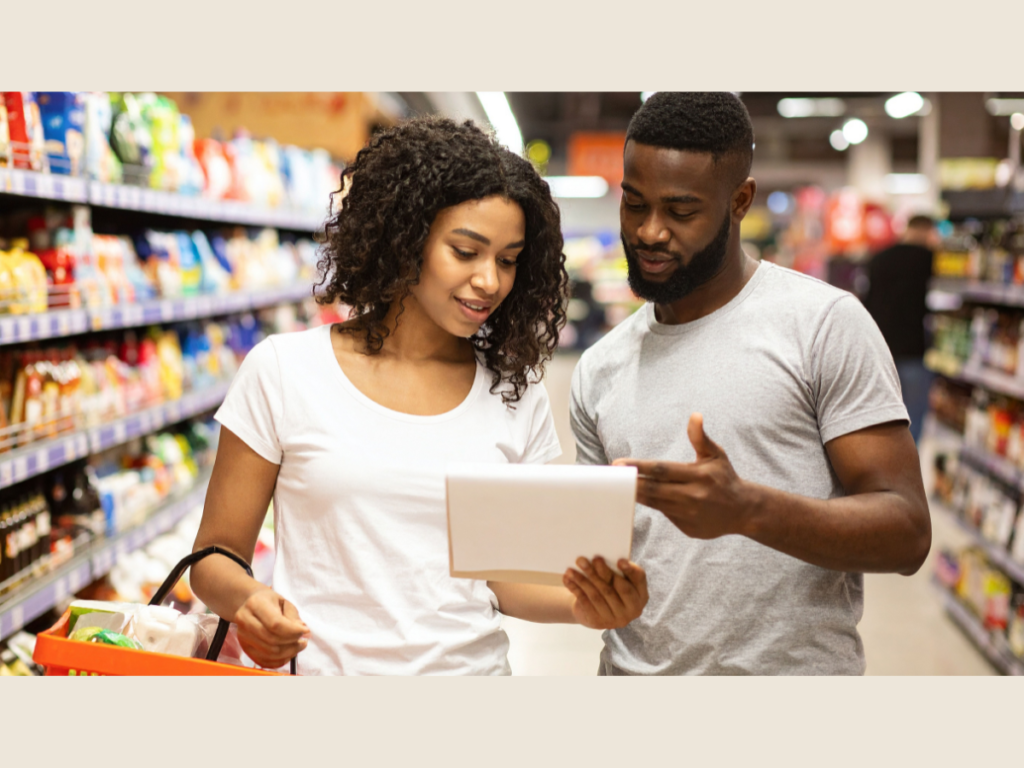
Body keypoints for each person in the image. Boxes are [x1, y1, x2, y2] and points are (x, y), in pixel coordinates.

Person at [190, 117, 649, 675]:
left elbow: (502, 580)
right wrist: (249, 603)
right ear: (405, 239)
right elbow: (214, 557)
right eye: (465, 251)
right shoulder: (285, 371)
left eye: (508, 260)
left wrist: (592, 605)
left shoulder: (513, 391)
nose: (490, 281)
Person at [569, 92, 931, 676]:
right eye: (634, 204)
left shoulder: (822, 324)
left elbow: (908, 532)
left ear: (740, 201)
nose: (649, 231)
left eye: (681, 211)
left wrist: (746, 510)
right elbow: (598, 556)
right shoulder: (600, 367)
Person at [862, 215, 941, 444]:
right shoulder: (929, 259)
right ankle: (908, 470)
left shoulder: (879, 258)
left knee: (880, 415)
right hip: (914, 350)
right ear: (928, 232)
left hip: (881, 349)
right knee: (913, 416)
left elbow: (867, 303)